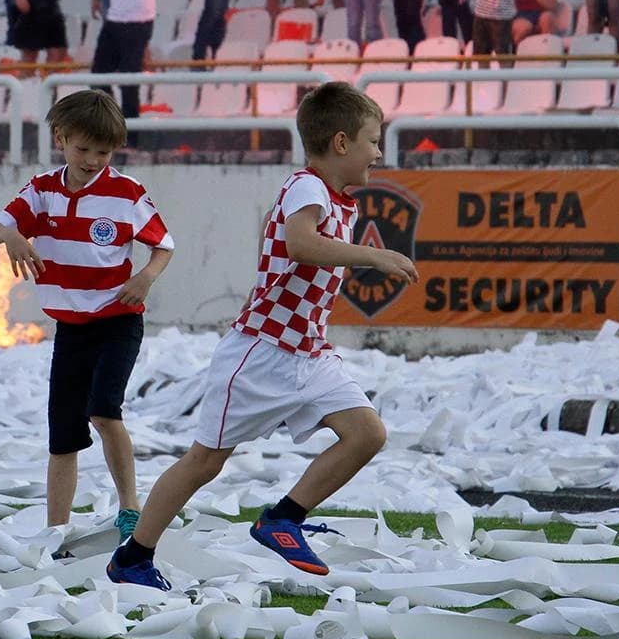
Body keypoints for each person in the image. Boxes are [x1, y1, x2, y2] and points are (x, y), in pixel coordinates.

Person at [107, 82, 418, 589]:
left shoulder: (338, 200)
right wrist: (375, 255)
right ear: (341, 143)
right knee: (204, 462)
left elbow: (286, 249)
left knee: (368, 434)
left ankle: (282, 519)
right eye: (372, 141)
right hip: (260, 352)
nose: (378, 153)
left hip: (307, 353)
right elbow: (299, 244)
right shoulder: (306, 186)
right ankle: (134, 556)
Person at [0, 89, 174, 549]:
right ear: (61, 138)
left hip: (117, 320)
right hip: (70, 328)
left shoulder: (125, 193)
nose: (92, 160)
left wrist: (145, 278)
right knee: (63, 433)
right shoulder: (42, 190)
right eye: (83, 149)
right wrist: (10, 236)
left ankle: (130, 509)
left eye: (102, 152)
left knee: (105, 411)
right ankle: (56, 531)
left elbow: (164, 245)